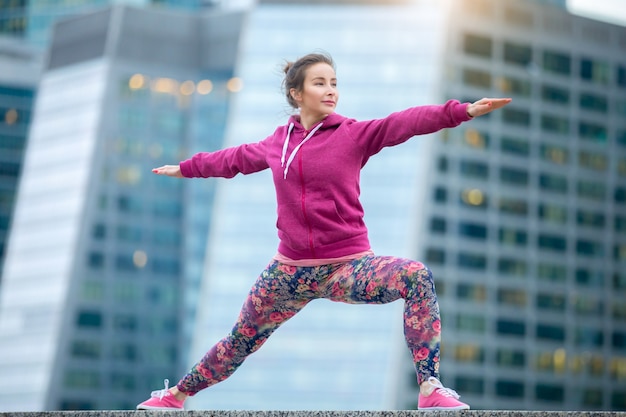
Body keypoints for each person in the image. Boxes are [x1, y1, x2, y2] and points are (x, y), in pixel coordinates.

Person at [136, 52, 511, 411]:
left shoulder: (352, 135)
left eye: (334, 83)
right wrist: (186, 168)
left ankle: (430, 387)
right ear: (296, 94)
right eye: (320, 83)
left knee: (416, 276)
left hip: (347, 267)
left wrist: (461, 111)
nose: (331, 90)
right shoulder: (276, 144)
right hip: (289, 273)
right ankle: (176, 396)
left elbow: (405, 122)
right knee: (240, 340)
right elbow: (231, 160)